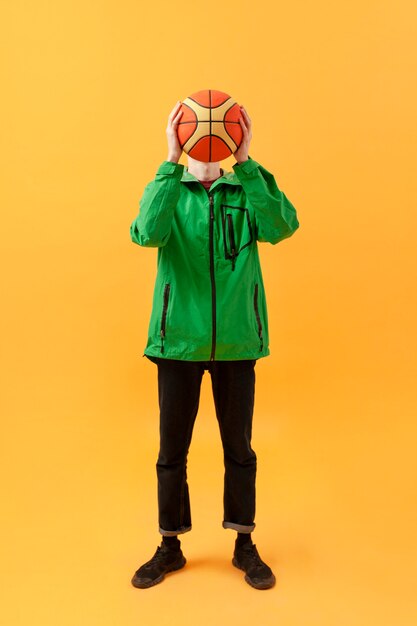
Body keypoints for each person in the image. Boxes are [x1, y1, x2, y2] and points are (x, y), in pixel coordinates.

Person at [129, 100, 300, 590]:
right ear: (183, 134)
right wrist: (170, 160)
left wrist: (247, 163)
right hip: (176, 341)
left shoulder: (247, 190)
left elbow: (282, 226)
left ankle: (244, 544)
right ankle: (169, 546)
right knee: (170, 452)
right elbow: (145, 234)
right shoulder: (168, 188)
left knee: (239, 449)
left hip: (236, 344)